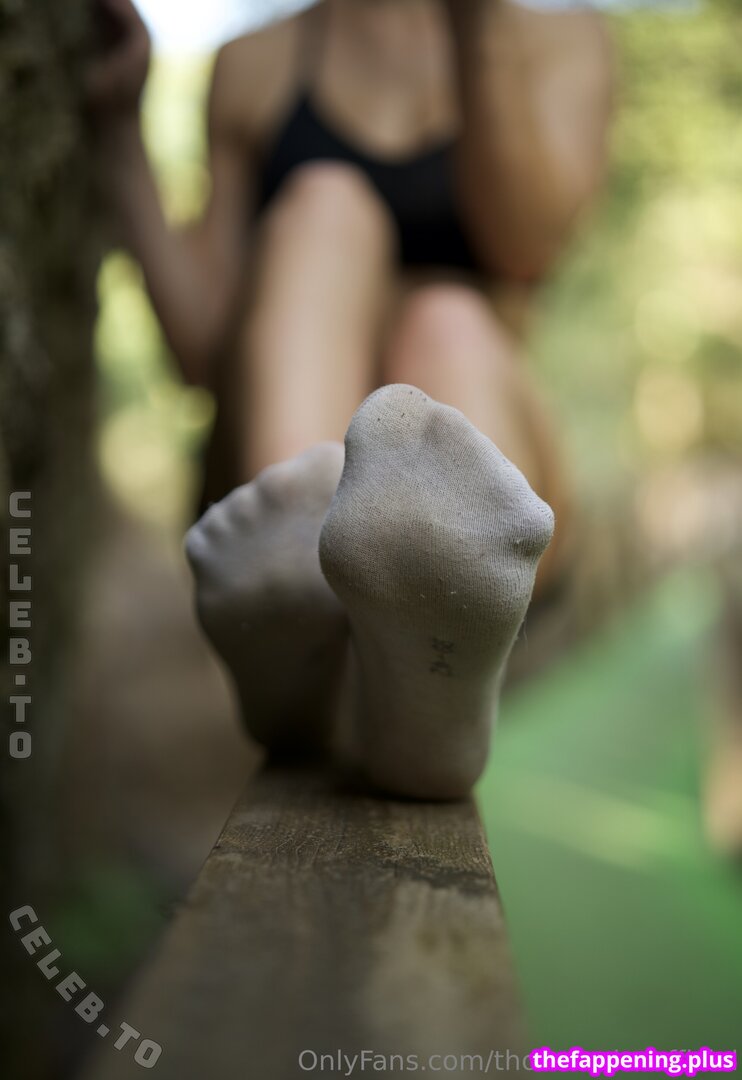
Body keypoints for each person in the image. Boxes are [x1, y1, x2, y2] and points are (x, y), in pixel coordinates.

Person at [88, 0, 613, 799]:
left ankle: (423, 615)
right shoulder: (255, 62)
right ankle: (305, 567)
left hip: (480, 420)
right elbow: (200, 353)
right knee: (324, 205)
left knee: (445, 320)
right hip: (286, 441)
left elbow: (524, 246)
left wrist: (476, 28)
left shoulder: (561, 42)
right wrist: (122, 131)